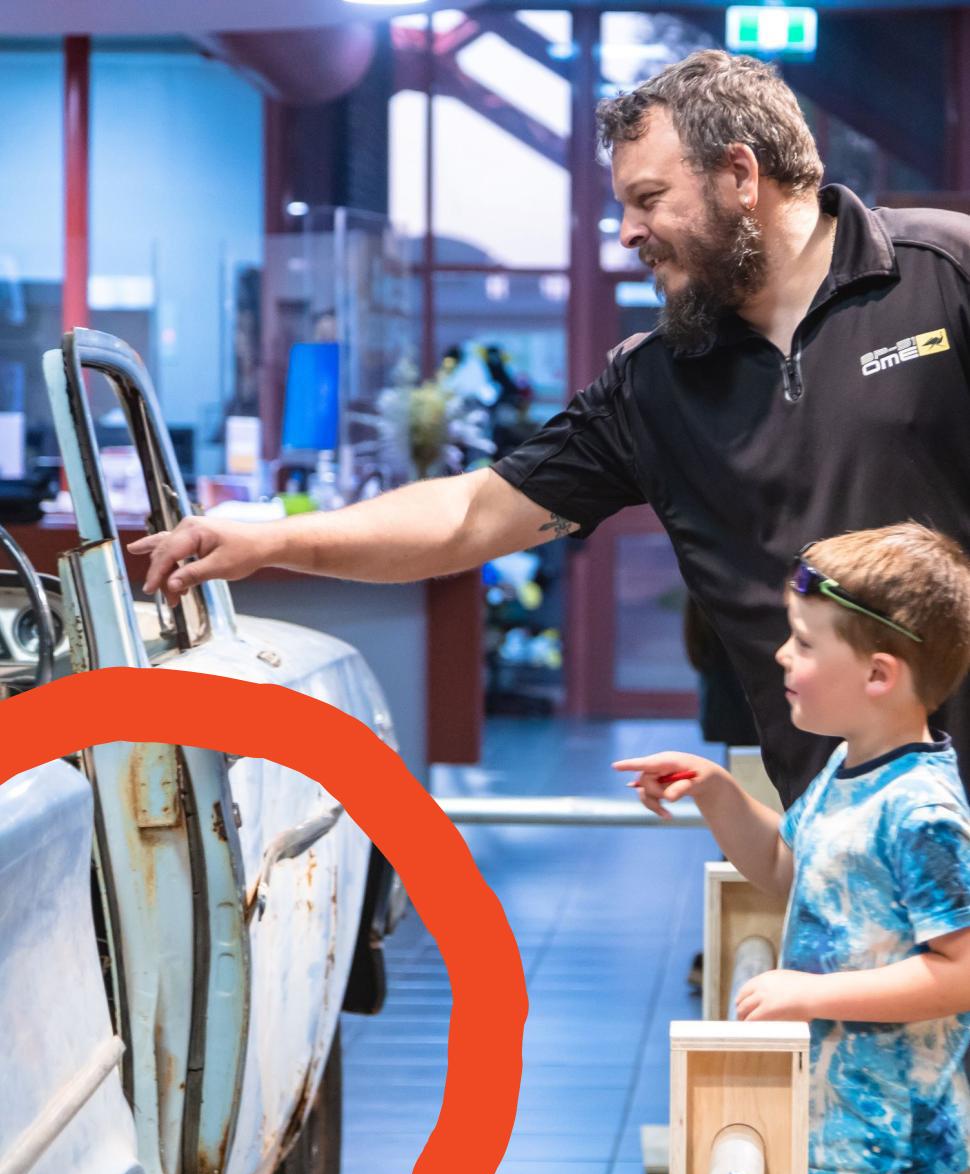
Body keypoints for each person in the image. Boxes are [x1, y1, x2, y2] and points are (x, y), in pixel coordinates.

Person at [129, 49, 970, 808]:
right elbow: (471, 517)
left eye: (649, 199)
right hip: (852, 828)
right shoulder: (657, 385)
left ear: (740, 175)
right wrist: (270, 543)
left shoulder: (942, 276)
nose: (630, 231)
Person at [614, 523, 970, 1174]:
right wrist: (717, 793)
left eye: (805, 643)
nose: (782, 655)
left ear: (879, 675)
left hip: (885, 1165)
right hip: (830, 1137)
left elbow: (962, 970)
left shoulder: (923, 811)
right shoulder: (851, 765)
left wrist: (813, 994)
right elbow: (790, 869)